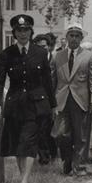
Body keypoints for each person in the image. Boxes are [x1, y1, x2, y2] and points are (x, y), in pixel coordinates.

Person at [0, 14, 56, 183]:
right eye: (19, 30)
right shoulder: (7, 54)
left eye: (26, 30)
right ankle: (25, 179)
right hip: (14, 104)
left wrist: (52, 104)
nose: (23, 34)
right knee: (18, 144)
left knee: (29, 142)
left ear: (31, 31)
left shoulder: (40, 53)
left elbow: (47, 80)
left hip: (36, 105)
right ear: (14, 33)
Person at [51, 23, 92, 176]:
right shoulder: (57, 56)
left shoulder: (89, 56)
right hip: (62, 99)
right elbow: (52, 80)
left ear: (81, 38)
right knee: (60, 134)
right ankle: (67, 160)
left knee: (80, 135)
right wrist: (51, 102)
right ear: (66, 37)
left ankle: (76, 165)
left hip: (81, 100)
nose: (73, 38)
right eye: (71, 35)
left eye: (77, 36)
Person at [32, 33, 56, 165]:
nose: (42, 48)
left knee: (50, 129)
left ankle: (52, 154)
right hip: (37, 100)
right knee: (40, 129)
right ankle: (44, 157)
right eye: (39, 46)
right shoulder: (32, 60)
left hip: (51, 99)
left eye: (44, 46)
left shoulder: (55, 60)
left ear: (49, 46)